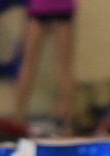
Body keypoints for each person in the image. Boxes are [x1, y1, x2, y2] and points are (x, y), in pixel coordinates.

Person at [13, 0, 77, 134]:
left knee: (29, 64)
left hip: (46, 7)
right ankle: (67, 122)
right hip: (55, 7)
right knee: (64, 66)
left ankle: (17, 118)